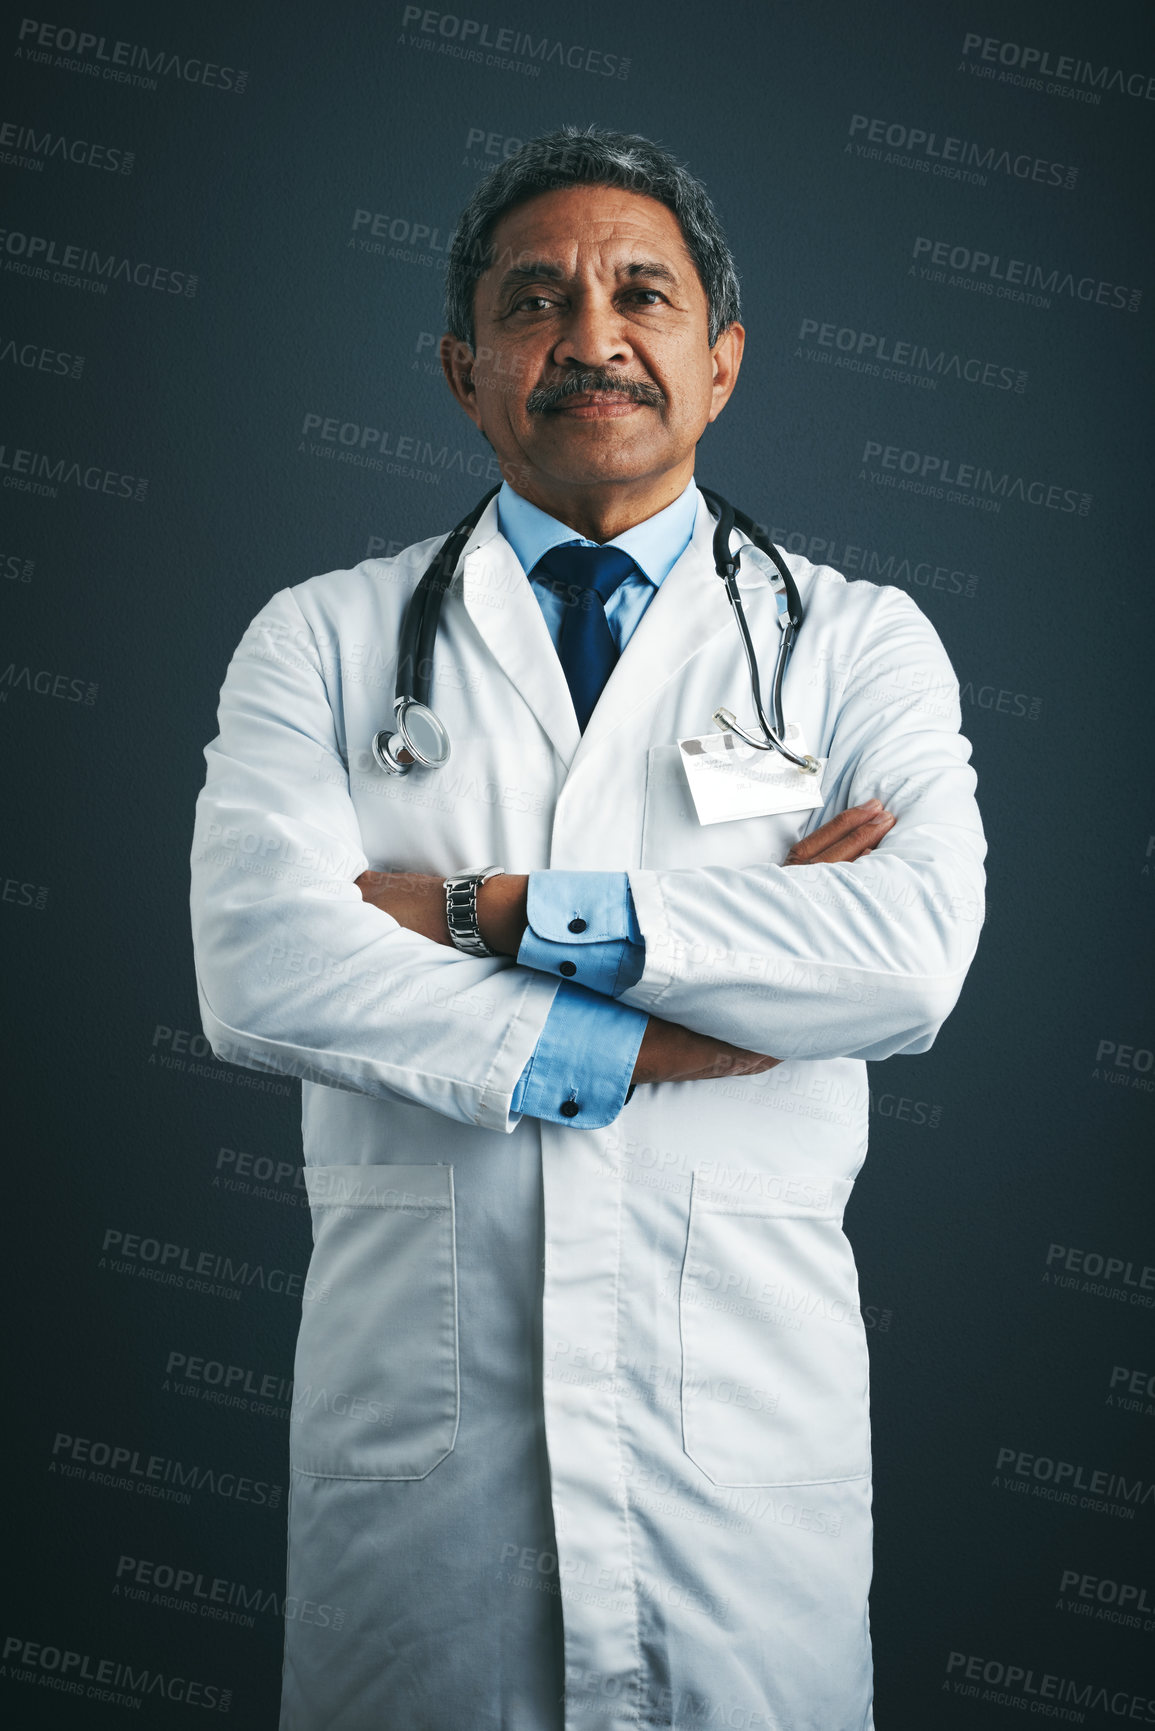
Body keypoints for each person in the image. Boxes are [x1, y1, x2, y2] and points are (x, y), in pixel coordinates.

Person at [190, 126, 985, 1731]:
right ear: (464, 369)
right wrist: (655, 1030)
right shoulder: (325, 644)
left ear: (723, 361)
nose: (594, 337)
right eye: (535, 300)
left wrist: (482, 913)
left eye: (646, 295)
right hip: (426, 1514)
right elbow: (265, 964)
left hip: (741, 1495)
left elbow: (903, 953)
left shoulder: (854, 647)